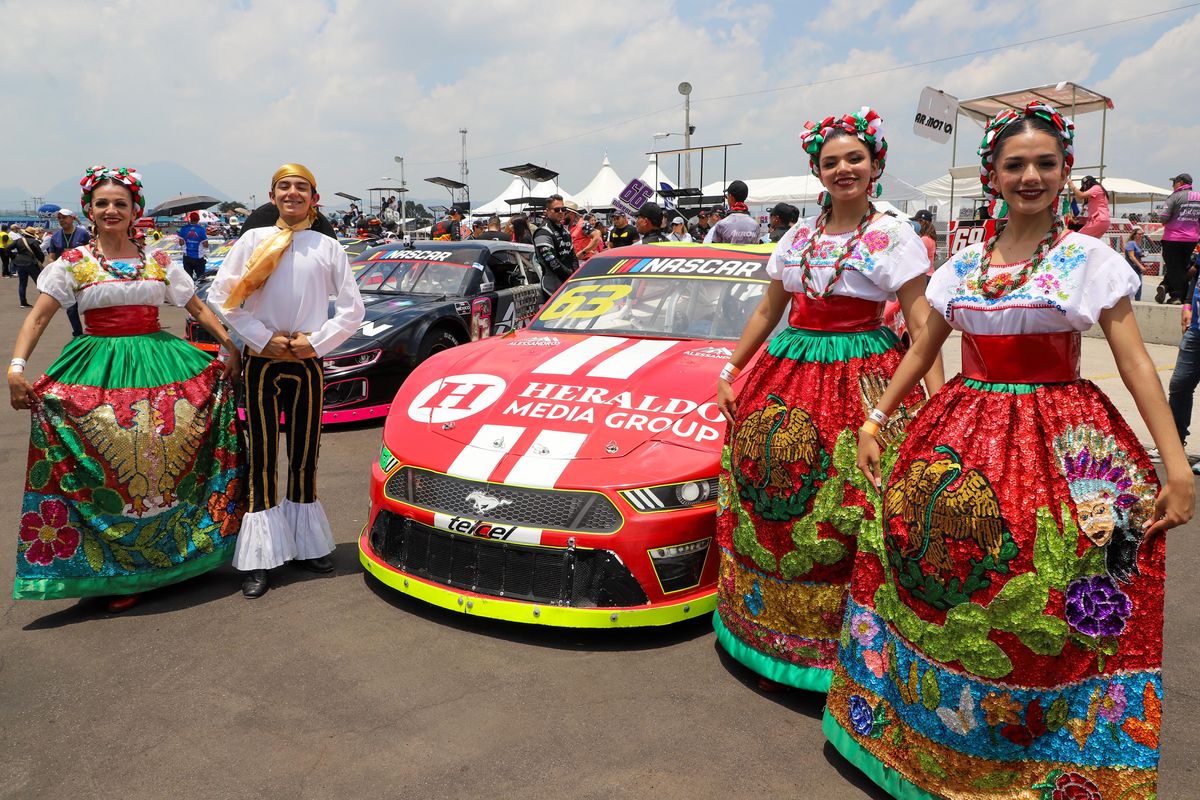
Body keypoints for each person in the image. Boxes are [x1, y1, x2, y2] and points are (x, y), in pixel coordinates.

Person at [835, 102, 1192, 800]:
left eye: (1045, 164)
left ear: (1066, 172)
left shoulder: (1090, 261)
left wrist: (1173, 465)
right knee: (933, 574)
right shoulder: (962, 266)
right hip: (960, 429)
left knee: (1058, 592)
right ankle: (928, 742)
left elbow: (1136, 365)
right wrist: (877, 418)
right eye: (1015, 165)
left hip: (1058, 441)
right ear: (992, 176)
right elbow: (924, 349)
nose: (1030, 176)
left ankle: (1041, 759)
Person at [714, 107, 943, 693]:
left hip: (862, 375)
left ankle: (846, 648)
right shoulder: (795, 237)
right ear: (817, 171)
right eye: (831, 161)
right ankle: (764, 632)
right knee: (770, 490)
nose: (843, 169)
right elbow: (770, 308)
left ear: (876, 165)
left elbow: (923, 325)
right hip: (787, 370)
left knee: (855, 506)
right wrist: (733, 366)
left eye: (854, 158)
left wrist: (941, 407)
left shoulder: (894, 236)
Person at [8, 165, 243, 612]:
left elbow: (196, 306)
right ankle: (119, 571)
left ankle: (180, 557)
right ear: (89, 212)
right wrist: (16, 368)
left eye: (121, 203)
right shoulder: (72, 264)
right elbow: (38, 318)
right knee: (112, 470)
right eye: (102, 204)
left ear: (135, 209)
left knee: (168, 465)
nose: (112, 210)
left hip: (163, 363)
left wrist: (229, 345)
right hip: (100, 366)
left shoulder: (158, 260)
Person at [208, 164, 365, 599]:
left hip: (307, 363)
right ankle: (260, 557)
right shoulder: (252, 241)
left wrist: (318, 342)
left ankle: (305, 545)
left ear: (314, 198)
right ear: (272, 195)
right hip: (263, 362)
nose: (292, 193)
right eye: (284, 187)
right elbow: (223, 296)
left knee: (304, 456)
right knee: (260, 457)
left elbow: (353, 310)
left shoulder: (329, 247)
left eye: (301, 187)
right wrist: (261, 338)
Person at [45, 208, 91, 337]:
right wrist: (52, 268)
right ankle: (78, 333)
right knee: (71, 307)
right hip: (66, 276)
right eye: (59, 218)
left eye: (64, 217)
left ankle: (93, 331)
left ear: (72, 218)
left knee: (89, 303)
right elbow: (51, 256)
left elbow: (90, 251)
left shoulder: (82, 234)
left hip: (84, 274)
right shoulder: (55, 236)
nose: (61, 220)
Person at [1157, 173, 1200, 304]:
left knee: (1174, 267)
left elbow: (1163, 217)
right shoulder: (1198, 196)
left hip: (1173, 238)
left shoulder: (1174, 197)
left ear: (1180, 183)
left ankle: (1180, 296)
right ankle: (1166, 285)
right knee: (1181, 266)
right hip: (1192, 239)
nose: (1172, 185)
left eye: (1174, 182)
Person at [532, 195, 578, 299]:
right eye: (557, 209)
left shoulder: (565, 231)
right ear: (547, 211)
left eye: (563, 209)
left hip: (569, 285)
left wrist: (575, 274)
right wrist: (569, 275)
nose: (561, 212)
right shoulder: (543, 232)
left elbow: (573, 256)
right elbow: (551, 260)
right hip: (552, 289)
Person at [5, 224, 44, 308]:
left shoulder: (18, 240)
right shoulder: (34, 241)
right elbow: (39, 254)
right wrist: (40, 261)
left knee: (22, 284)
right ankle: (44, 302)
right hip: (31, 264)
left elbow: (7, 248)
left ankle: (23, 302)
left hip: (20, 264)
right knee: (39, 282)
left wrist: (13, 257)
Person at [177, 211, 209, 281]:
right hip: (199, 258)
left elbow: (181, 243)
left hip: (187, 257)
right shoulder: (201, 229)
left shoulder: (183, 228)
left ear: (190, 219)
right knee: (200, 280)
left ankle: (190, 292)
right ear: (198, 219)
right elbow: (206, 245)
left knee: (188, 280)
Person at [1124, 226, 1149, 301]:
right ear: (1134, 235)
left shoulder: (1137, 244)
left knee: (1138, 286)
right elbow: (1131, 256)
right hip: (1131, 269)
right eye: (1139, 234)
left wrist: (1142, 255)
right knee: (1131, 286)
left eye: (1142, 234)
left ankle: (1137, 302)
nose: (1141, 236)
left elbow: (1136, 255)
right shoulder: (1131, 243)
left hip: (1136, 269)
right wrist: (1141, 267)